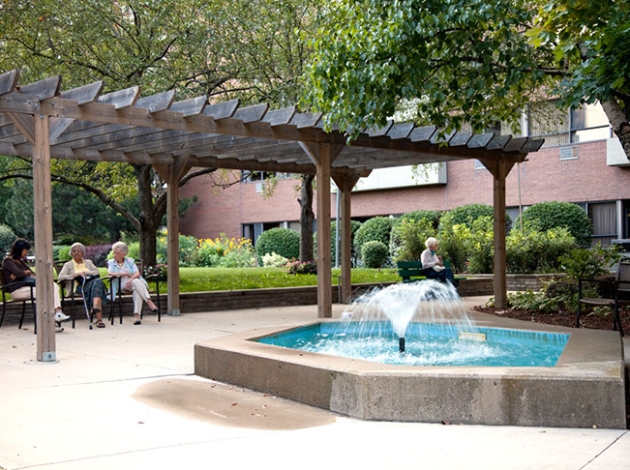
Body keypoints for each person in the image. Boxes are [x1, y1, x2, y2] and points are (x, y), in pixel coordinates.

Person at [2, 238, 70, 326]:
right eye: (25, 250)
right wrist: (24, 273)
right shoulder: (8, 261)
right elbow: (20, 273)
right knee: (46, 292)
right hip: (17, 291)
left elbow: (31, 274)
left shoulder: (20, 262)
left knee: (53, 285)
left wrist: (23, 274)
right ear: (19, 249)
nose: (26, 253)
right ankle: (50, 321)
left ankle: (57, 313)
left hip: (28, 287)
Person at [57, 242, 108, 328]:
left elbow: (96, 272)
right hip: (78, 287)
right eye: (74, 251)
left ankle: (95, 307)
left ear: (83, 253)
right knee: (97, 285)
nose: (76, 252)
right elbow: (60, 277)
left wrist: (86, 273)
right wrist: (74, 275)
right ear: (71, 253)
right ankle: (98, 317)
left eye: (79, 250)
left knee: (97, 283)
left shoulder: (88, 262)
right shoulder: (68, 265)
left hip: (90, 283)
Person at [107, 241, 158, 325]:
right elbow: (110, 273)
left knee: (136, 288)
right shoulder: (111, 262)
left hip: (132, 283)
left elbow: (137, 273)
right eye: (114, 253)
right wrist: (126, 274)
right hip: (120, 284)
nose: (114, 255)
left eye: (117, 253)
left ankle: (137, 315)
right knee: (136, 282)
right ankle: (149, 302)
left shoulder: (130, 261)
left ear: (124, 254)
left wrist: (131, 279)